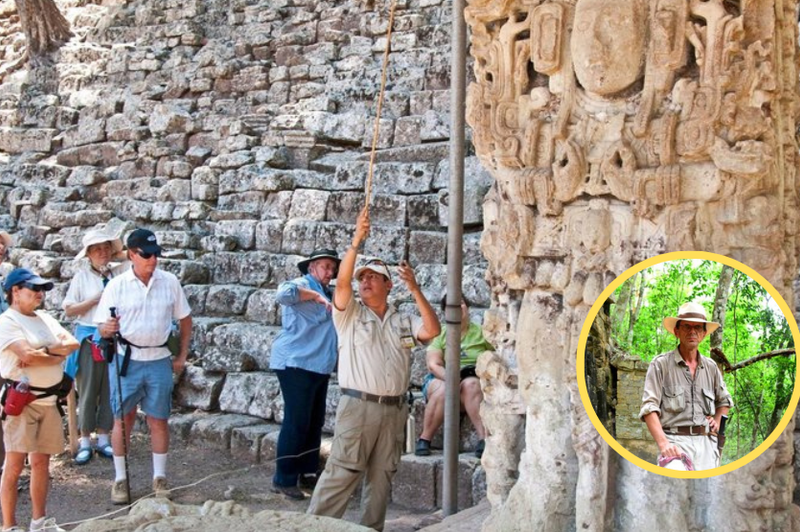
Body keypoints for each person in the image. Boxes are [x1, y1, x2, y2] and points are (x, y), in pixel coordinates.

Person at [308, 207, 440, 531]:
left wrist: (416, 289)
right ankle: (310, 528)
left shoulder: (401, 320)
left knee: (381, 481)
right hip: (358, 406)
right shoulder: (350, 315)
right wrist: (356, 241)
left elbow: (433, 330)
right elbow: (341, 286)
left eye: (372, 276)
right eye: (362, 277)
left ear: (388, 284)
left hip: (393, 410)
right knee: (342, 473)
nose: (364, 281)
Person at [96, 228, 192, 504]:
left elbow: (185, 319)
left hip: (159, 359)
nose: (153, 260)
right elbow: (101, 327)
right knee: (121, 419)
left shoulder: (169, 282)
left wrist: (182, 355)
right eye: (146, 255)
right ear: (131, 255)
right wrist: (107, 328)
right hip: (127, 361)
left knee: (159, 418)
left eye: (155, 254)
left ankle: (159, 478)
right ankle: (120, 479)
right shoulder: (116, 286)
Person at [0, 268, 79, 532]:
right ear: (15, 291)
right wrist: (55, 355)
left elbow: (72, 343)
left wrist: (43, 352)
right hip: (23, 403)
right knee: (14, 464)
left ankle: (39, 522)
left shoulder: (44, 317)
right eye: (34, 289)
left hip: (49, 401)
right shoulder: (7, 321)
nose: (40, 294)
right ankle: (10, 526)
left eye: (42, 290)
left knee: (41, 463)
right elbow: (26, 355)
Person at [270, 248, 340, 500]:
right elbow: (283, 293)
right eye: (324, 266)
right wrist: (317, 298)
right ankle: (284, 478)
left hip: (318, 365)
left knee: (314, 421)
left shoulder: (330, 292)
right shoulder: (302, 285)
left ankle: (308, 472)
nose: (329, 272)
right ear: (312, 268)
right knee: (297, 421)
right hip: (296, 362)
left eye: (332, 268)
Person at [639, 302, 733, 471]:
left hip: (706, 443)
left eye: (698, 327)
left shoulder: (711, 367)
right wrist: (664, 444)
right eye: (687, 326)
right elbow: (649, 407)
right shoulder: (661, 365)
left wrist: (717, 422)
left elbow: (724, 401)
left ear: (704, 334)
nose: (692, 331)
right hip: (675, 442)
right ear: (676, 331)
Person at [63, 229, 128, 465]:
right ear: (88, 254)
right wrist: (95, 300)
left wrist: (116, 255)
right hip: (89, 337)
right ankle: (84, 441)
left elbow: (132, 257)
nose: (102, 253)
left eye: (106, 248)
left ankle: (103, 437)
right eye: (96, 249)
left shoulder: (117, 273)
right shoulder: (82, 277)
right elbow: (69, 309)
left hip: (112, 337)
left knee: (109, 388)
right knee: (89, 389)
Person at [415, 297, 493, 458]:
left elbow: (495, 357)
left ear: (467, 307)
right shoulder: (440, 333)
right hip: (442, 378)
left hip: (472, 381)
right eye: (452, 306)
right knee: (445, 388)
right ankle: (425, 438)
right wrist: (451, 379)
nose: (457, 308)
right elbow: (434, 364)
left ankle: (484, 438)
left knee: (471, 384)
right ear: (445, 312)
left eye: (461, 303)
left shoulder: (481, 332)